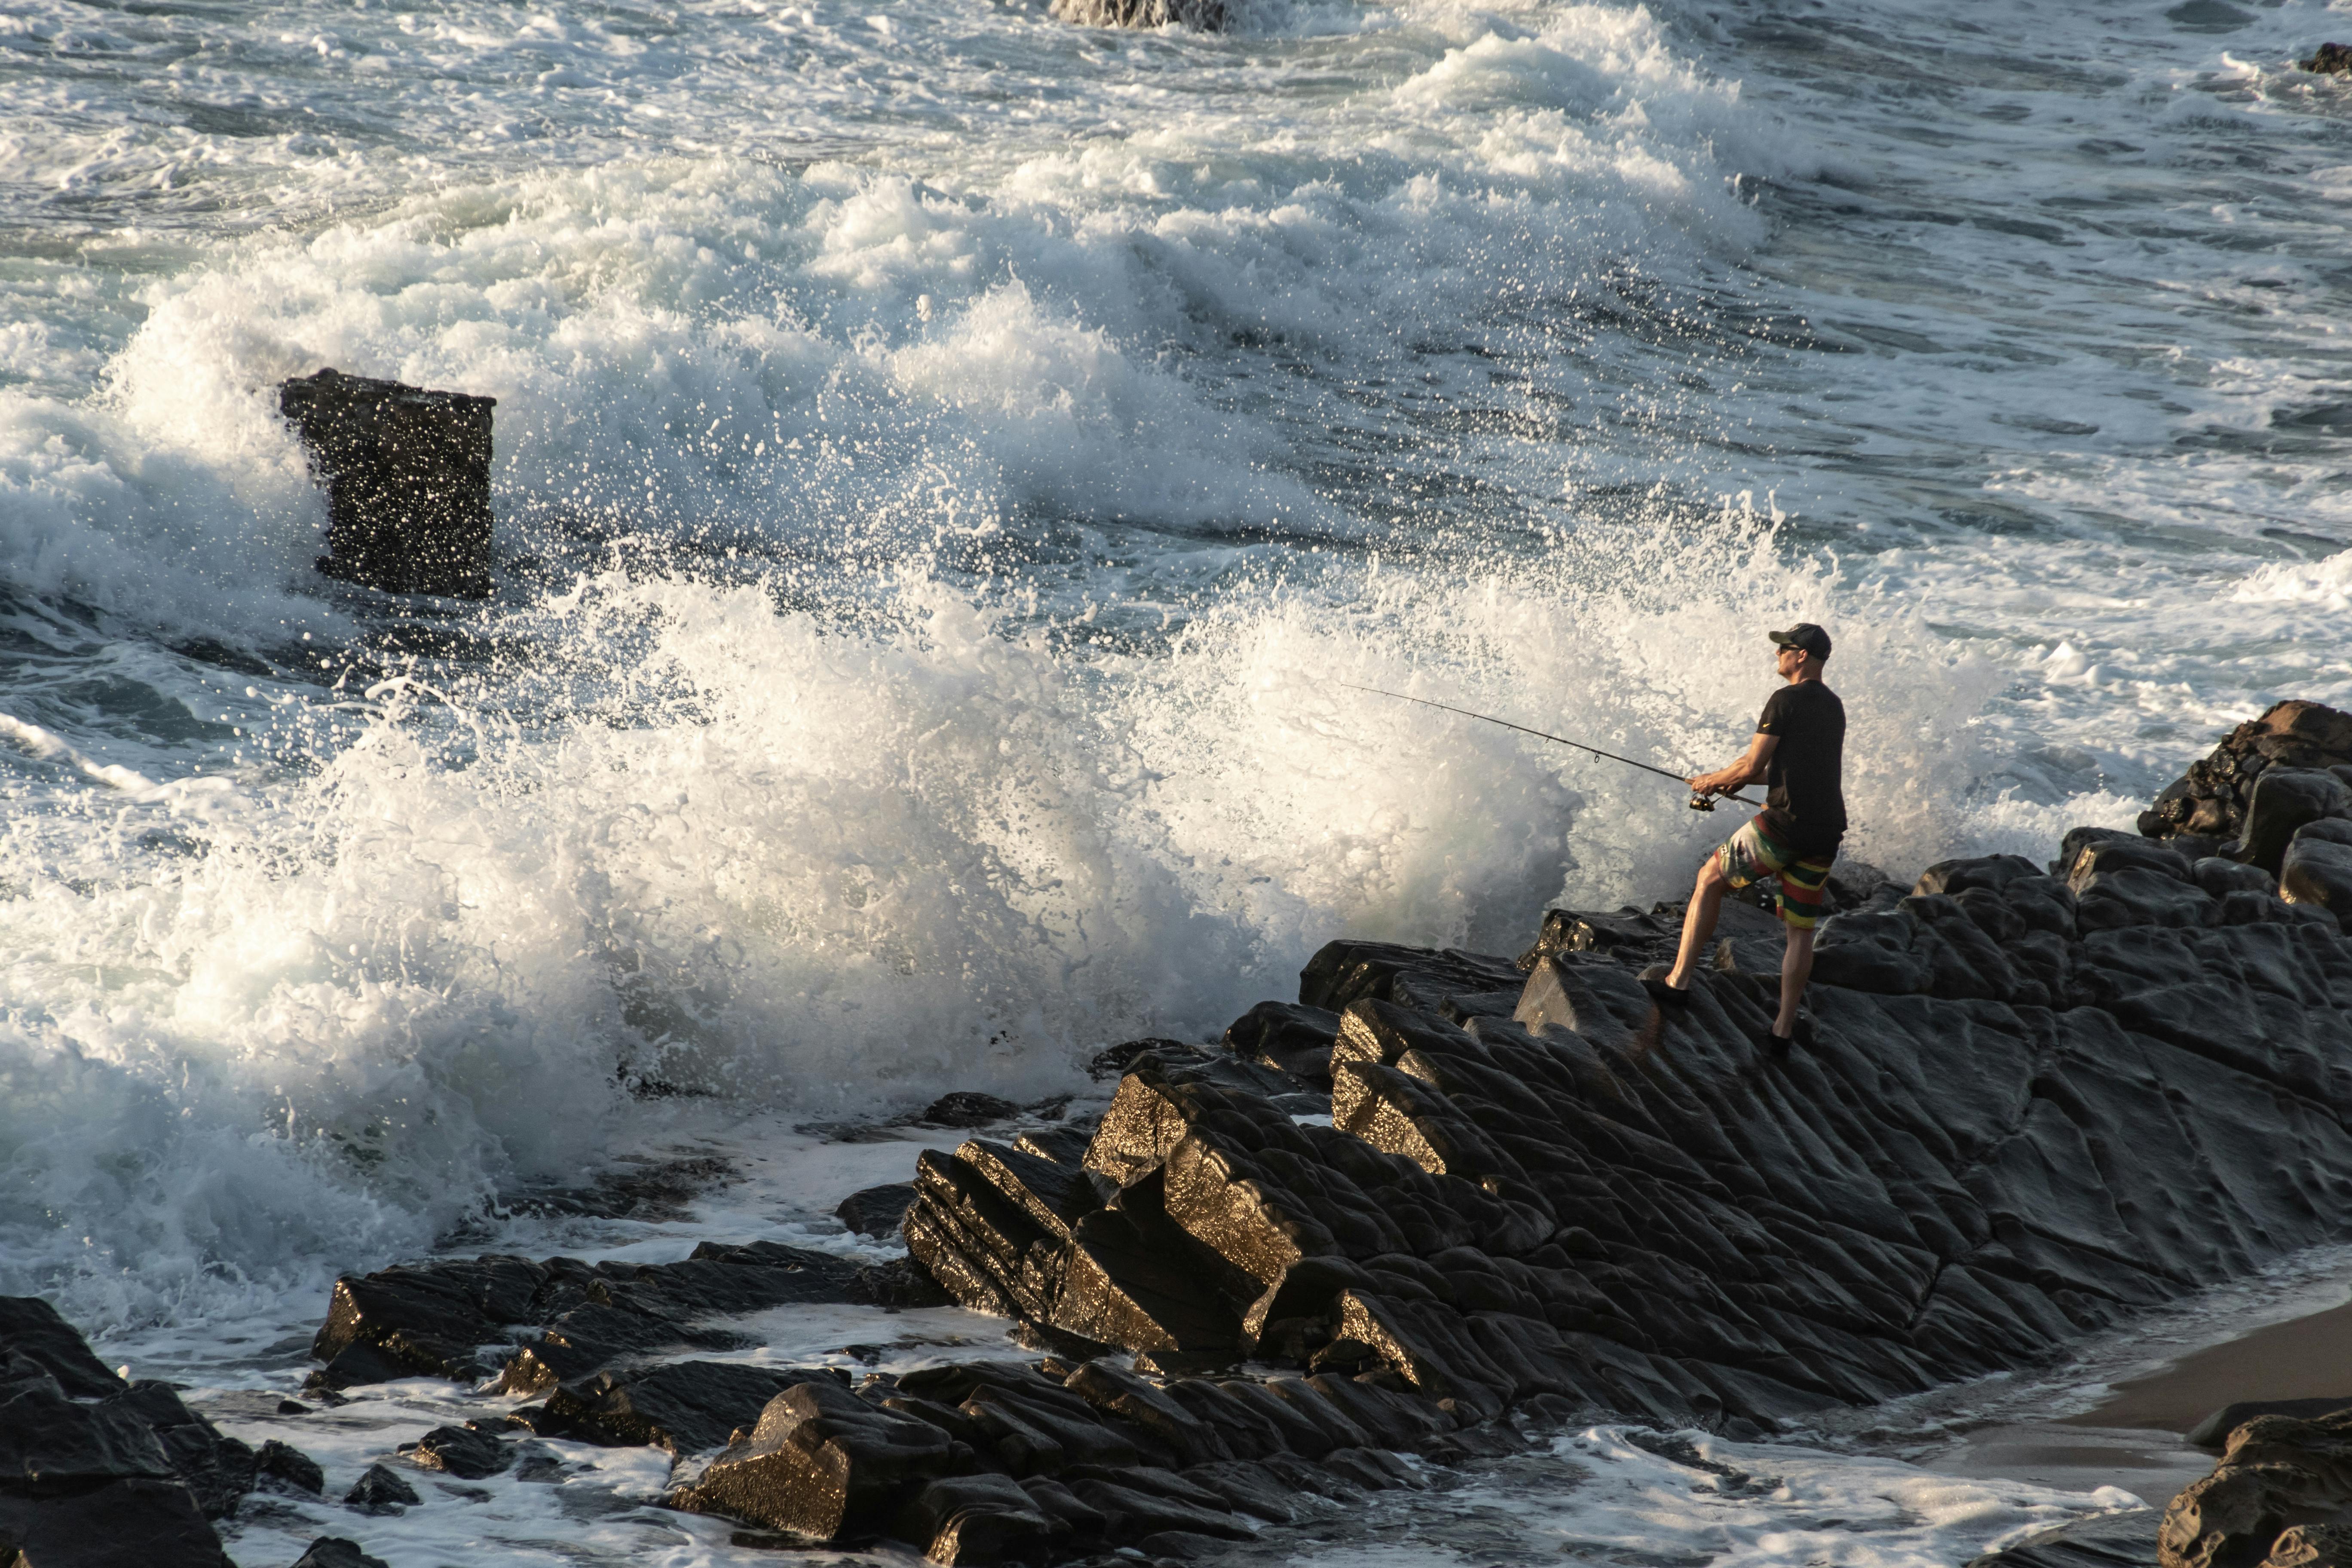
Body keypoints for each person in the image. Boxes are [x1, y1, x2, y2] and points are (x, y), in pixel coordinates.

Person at [1640, 623, 1846, 1051]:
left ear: (1802, 656)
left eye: (1783, 649)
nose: (1778, 656)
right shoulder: (1834, 706)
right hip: (1825, 832)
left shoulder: (1784, 700)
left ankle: (1678, 982)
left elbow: (1753, 765)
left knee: (1709, 879)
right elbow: (1794, 771)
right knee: (1801, 932)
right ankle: (1782, 1031)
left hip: (1783, 828)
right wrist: (1739, 782)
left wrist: (1713, 780)